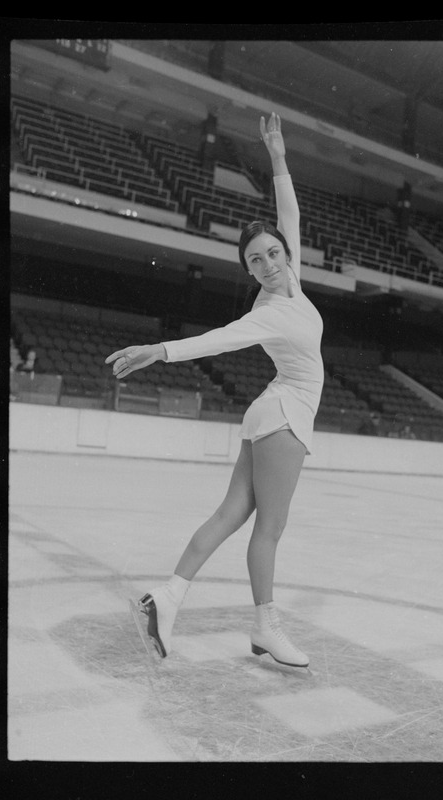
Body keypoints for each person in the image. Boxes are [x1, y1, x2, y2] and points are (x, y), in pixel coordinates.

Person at [106, 113, 324, 668]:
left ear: (285, 254)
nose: (268, 262)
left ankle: (168, 599)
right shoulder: (269, 310)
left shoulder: (293, 281)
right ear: (249, 272)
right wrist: (159, 350)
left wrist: (276, 155)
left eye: (273, 253)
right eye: (256, 260)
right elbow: (217, 340)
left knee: (231, 514)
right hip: (284, 415)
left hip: (268, 412)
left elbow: (289, 213)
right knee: (268, 530)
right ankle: (265, 627)